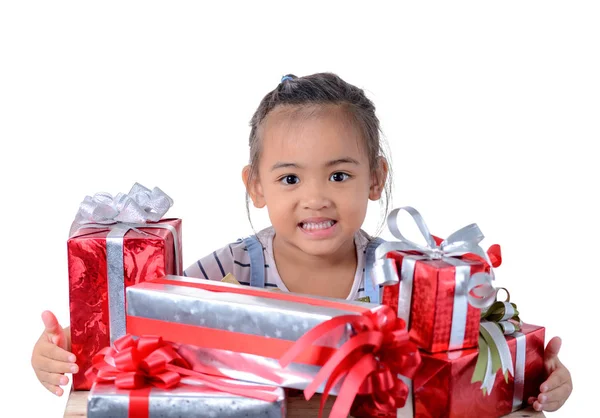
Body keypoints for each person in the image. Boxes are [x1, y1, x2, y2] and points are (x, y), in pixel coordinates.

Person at [31, 73, 572, 413]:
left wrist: (537, 375)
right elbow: (142, 338)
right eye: (291, 179)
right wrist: (61, 355)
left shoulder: (404, 275)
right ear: (256, 186)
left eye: (339, 176)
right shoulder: (229, 270)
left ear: (376, 179)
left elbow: (470, 352)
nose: (316, 198)